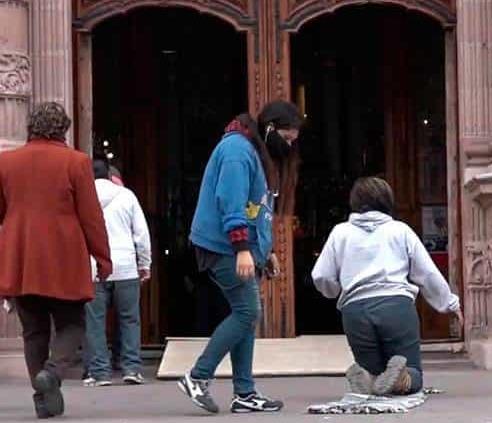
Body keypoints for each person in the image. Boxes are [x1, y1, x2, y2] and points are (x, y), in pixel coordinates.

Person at [178, 101, 301, 414]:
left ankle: (244, 393)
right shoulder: (237, 150)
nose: (289, 146)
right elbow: (230, 202)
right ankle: (197, 376)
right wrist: (242, 248)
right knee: (247, 312)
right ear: (271, 128)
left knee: (245, 315)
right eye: (287, 138)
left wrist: (265, 251)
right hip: (223, 246)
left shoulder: (254, 152)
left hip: (236, 246)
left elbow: (256, 209)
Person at [0, 102, 112, 418]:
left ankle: (43, 399)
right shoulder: (76, 162)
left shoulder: (6, 162)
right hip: (63, 256)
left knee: (33, 330)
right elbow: (91, 216)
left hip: (21, 256)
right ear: (63, 129)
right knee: (72, 323)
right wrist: (103, 257)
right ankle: (51, 373)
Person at [311, 177, 463, 396]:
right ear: (387, 201)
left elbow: (321, 275)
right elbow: (426, 273)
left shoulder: (340, 232)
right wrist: (450, 304)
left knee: (374, 372)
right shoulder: (400, 231)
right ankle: (402, 378)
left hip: (356, 311)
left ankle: (368, 376)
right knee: (413, 372)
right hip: (396, 306)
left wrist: (333, 291)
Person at [83, 158, 152, 387]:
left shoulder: (82, 197)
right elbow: (141, 233)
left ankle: (100, 373)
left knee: (95, 323)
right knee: (130, 319)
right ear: (109, 175)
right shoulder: (127, 196)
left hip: (93, 268)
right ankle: (131, 368)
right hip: (125, 267)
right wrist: (144, 263)